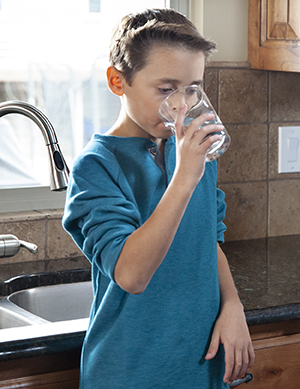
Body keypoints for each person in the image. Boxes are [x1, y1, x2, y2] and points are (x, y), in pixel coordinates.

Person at [62, 8, 255, 388]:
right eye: (166, 89)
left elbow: (208, 240)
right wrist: (184, 178)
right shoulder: (97, 167)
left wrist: (233, 305)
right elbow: (131, 275)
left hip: (202, 365)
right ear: (118, 81)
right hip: (131, 371)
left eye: (193, 88)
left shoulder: (191, 152)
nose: (182, 105)